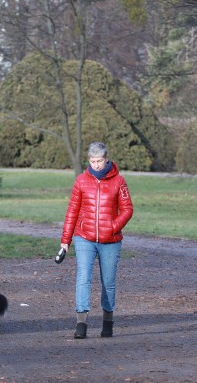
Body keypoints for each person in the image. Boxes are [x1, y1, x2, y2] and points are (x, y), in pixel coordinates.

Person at [59, 142, 134, 338]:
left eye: (99, 161)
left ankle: (108, 321)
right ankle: (81, 324)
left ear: (107, 159)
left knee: (108, 282)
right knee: (83, 278)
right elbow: (72, 211)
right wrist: (65, 240)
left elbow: (127, 209)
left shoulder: (119, 181)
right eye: (93, 161)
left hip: (111, 241)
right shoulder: (81, 181)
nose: (96, 165)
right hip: (84, 237)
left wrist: (113, 227)